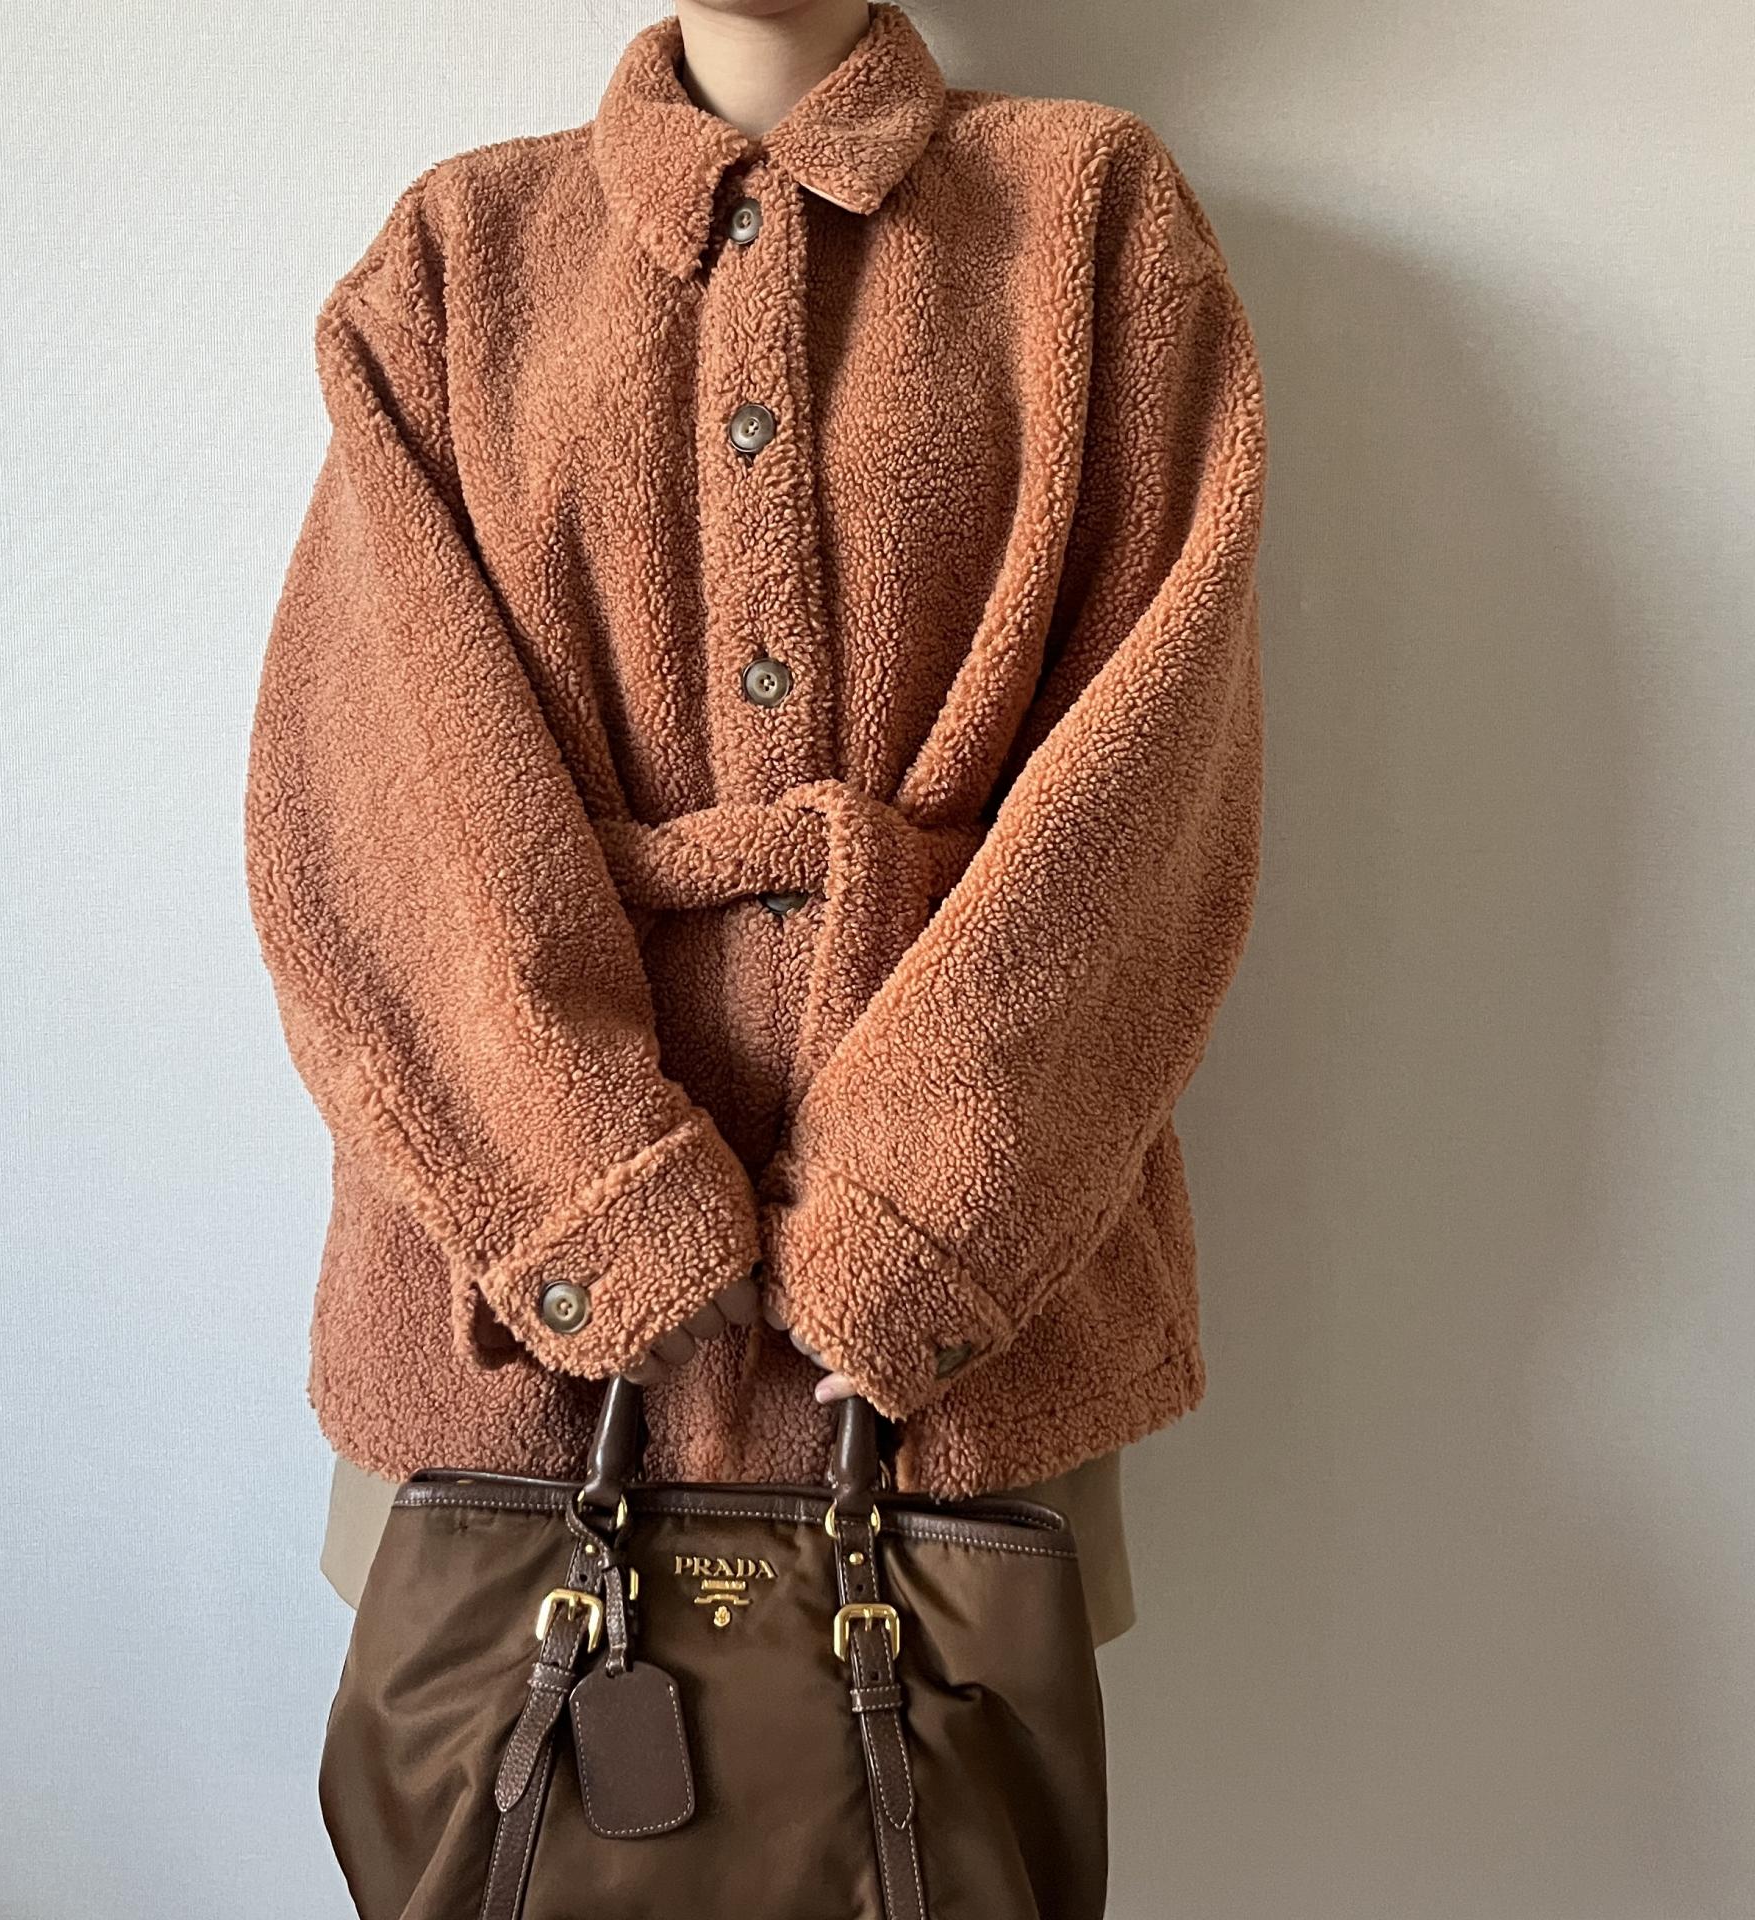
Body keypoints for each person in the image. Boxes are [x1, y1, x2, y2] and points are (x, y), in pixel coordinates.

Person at [247, 0, 1264, 1677]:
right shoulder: (457, 254)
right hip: (512, 1338)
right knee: (494, 1808)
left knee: (947, 1815)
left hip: (963, 1353)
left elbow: (1150, 797)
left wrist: (926, 1222)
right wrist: (582, 1203)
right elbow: (364, 804)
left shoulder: (1088, 216)